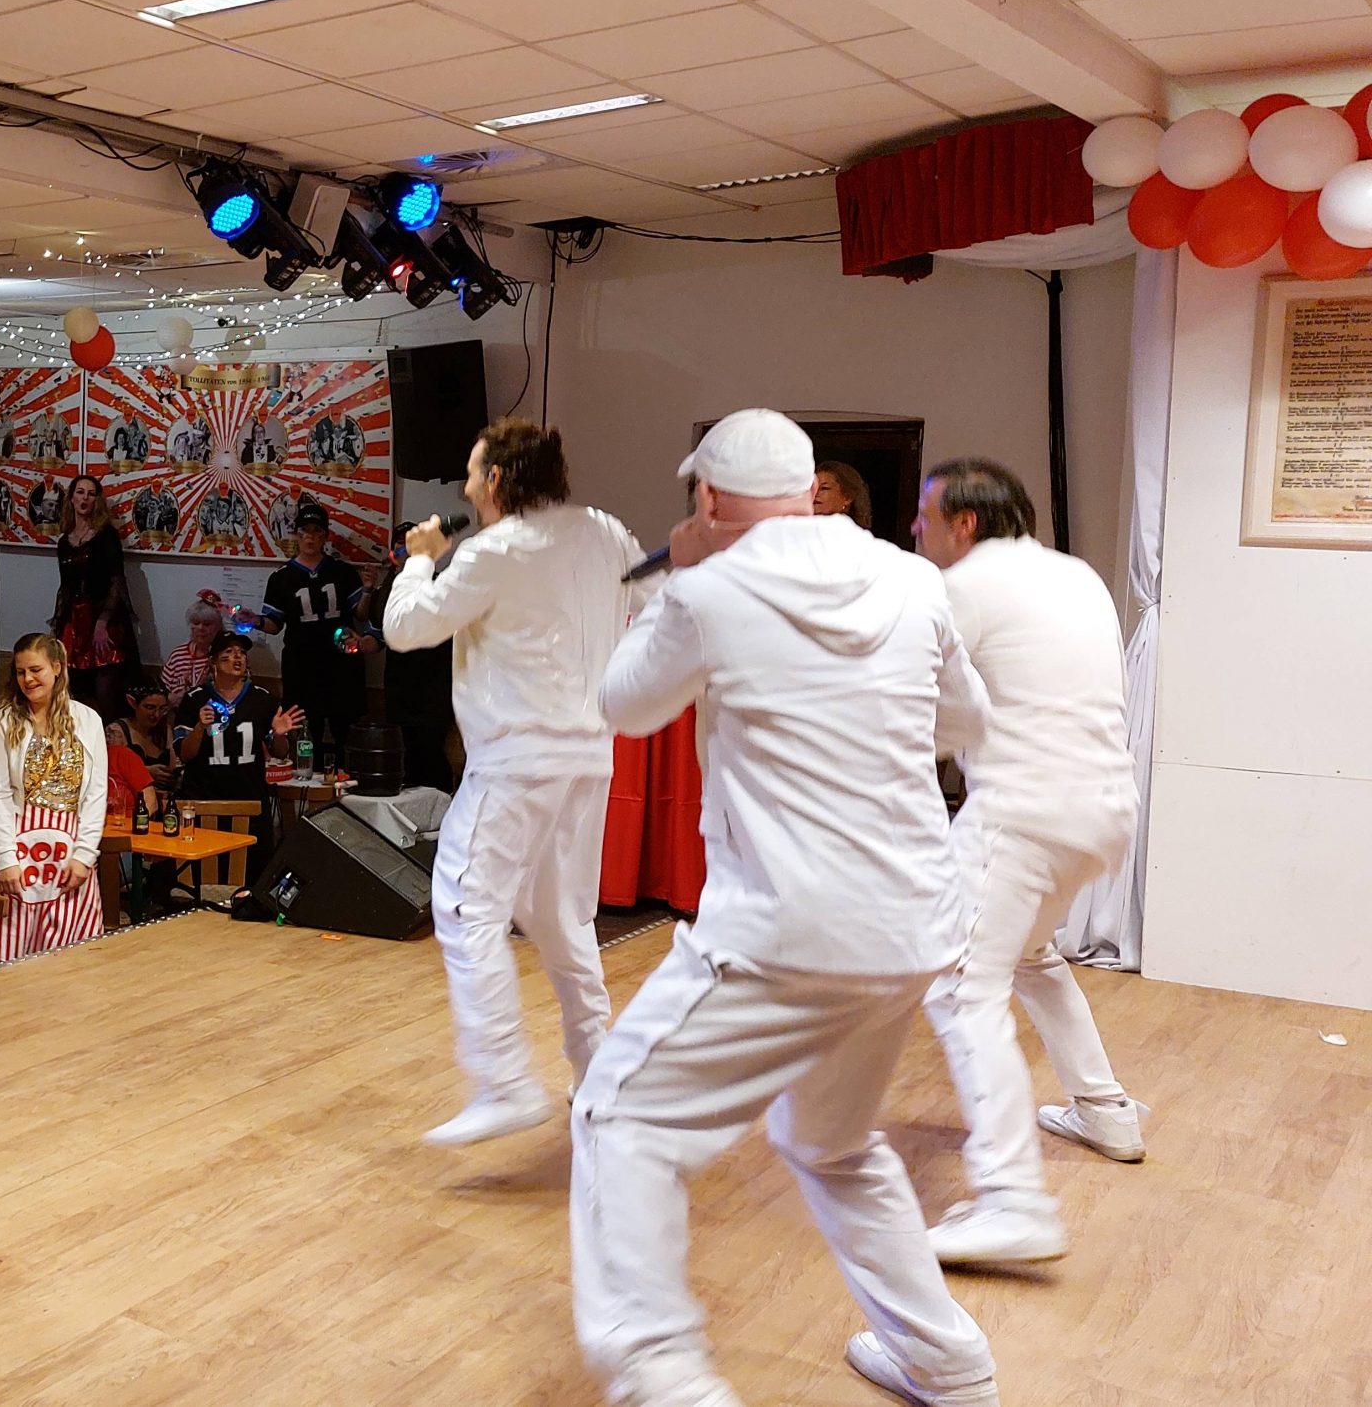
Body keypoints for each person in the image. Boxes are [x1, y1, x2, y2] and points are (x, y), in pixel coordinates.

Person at [579, 409, 997, 1407]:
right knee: (831, 1143)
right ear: (810, 489)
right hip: (911, 927)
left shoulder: (708, 588)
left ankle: (661, 1374)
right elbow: (967, 721)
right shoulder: (911, 578)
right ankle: (946, 1362)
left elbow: (624, 704)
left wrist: (673, 577)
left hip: (783, 931)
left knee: (621, 1117)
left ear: (708, 498)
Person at [910, 459, 1146, 1266]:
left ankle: (1012, 1201)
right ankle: (1104, 1109)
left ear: (963, 523)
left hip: (1024, 814)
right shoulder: (1075, 575)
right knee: (1031, 953)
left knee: (957, 984)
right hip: (1104, 812)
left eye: (925, 515)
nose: (916, 529)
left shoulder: (962, 586)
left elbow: (923, 708)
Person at [382, 420, 645, 1144]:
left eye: (473, 473)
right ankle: (598, 1074)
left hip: (517, 757)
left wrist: (420, 561)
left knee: (465, 905)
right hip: (589, 755)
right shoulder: (605, 531)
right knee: (560, 919)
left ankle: (503, 1082)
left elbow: (406, 629)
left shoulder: (493, 551)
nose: (467, 488)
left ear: (496, 478)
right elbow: (655, 601)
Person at [0, 633, 108, 960]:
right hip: (17, 852)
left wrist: (85, 855)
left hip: (68, 855)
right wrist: (7, 859)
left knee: (66, 959)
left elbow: (96, 793)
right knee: (6, 957)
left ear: (57, 668)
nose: (28, 679)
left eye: (36, 670)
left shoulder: (88, 721)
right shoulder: (1, 722)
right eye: (21, 672)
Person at [250, 500, 367, 749]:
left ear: (325, 535)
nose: (310, 537)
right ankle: (308, 771)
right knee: (306, 730)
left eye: (316, 531)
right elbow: (274, 625)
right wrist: (253, 621)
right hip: (302, 665)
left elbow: (361, 614)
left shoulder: (342, 572)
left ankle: (343, 771)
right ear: (296, 534)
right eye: (304, 531)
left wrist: (368, 591)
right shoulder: (281, 577)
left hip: (341, 663)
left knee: (345, 728)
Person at [172, 635, 303, 854]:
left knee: (254, 868)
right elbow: (185, 755)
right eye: (229, 652)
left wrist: (280, 735)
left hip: (250, 801)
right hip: (205, 801)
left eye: (241, 652)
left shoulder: (262, 699)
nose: (237, 657)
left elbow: (280, 753)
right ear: (213, 661)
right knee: (205, 869)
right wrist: (200, 727)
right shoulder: (195, 699)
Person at [370, 521, 458, 792]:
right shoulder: (388, 588)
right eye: (399, 544)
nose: (403, 550)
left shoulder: (440, 583)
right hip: (399, 687)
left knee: (431, 755)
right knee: (403, 756)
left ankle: (440, 807)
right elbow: (379, 628)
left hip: (434, 688)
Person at [50, 476, 139, 718]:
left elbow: (116, 581)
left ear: (97, 500)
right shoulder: (64, 541)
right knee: (71, 687)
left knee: (106, 689)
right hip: (75, 618)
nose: (85, 498)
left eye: (91, 494)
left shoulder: (106, 535)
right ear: (71, 498)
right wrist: (58, 625)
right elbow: (65, 587)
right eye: (80, 492)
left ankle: (110, 736)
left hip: (102, 616)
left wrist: (103, 621)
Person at [160, 591, 227, 703]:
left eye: (207, 624)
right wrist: (173, 698)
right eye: (196, 623)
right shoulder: (178, 655)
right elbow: (161, 693)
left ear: (218, 627)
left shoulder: (225, 657)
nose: (200, 628)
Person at [110, 681, 177, 792]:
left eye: (162, 709)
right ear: (133, 702)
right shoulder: (117, 731)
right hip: (132, 795)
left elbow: (173, 765)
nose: (156, 714)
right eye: (150, 707)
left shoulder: (165, 730)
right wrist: (146, 772)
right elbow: (111, 772)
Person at [814, 460, 874, 530]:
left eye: (824, 488)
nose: (815, 493)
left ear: (847, 497)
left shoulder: (856, 534)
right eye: (812, 489)